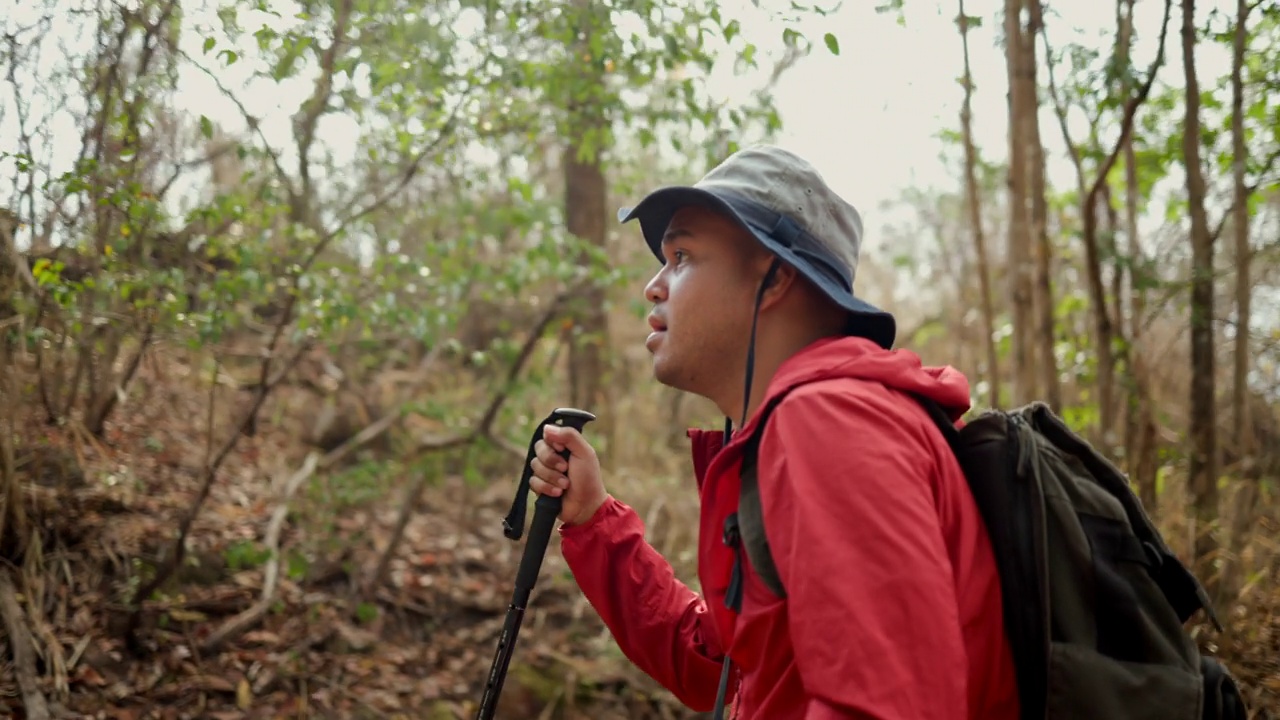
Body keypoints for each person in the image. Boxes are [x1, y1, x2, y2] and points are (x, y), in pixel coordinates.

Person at [527, 144, 1021, 719]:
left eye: (682, 255)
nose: (654, 286)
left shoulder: (833, 421)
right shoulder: (815, 423)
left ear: (777, 275)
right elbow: (733, 675)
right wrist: (594, 521)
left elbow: (889, 705)